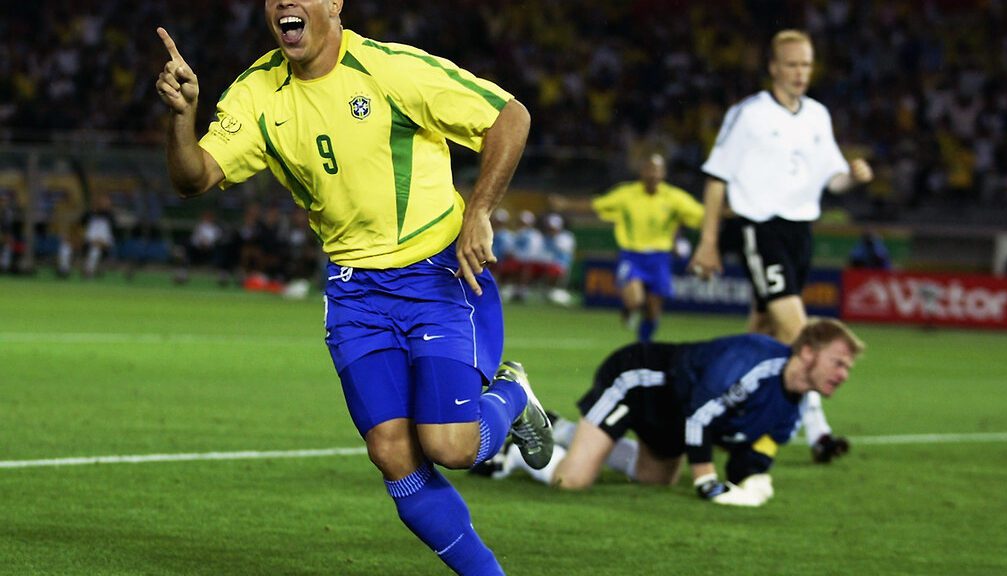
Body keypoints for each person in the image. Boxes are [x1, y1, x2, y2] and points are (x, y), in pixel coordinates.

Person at [154, 3, 553, 574]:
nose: (284, 4)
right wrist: (183, 115)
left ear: (335, 4)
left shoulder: (391, 69)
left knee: (451, 448)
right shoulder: (258, 92)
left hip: (435, 272)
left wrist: (480, 210)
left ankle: (512, 394)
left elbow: (508, 116)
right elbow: (194, 177)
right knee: (392, 453)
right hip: (352, 290)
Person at [688, 30, 873, 463]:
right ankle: (818, 431)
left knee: (764, 334)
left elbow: (834, 179)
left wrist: (855, 177)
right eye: (791, 64)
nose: (799, 73)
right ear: (773, 67)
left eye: (806, 65)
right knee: (797, 330)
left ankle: (723, 406)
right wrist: (709, 241)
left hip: (800, 232)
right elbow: (717, 177)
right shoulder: (748, 114)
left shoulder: (818, 116)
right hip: (760, 228)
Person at [474, 318, 865, 507]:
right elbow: (700, 418)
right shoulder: (755, 361)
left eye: (847, 368)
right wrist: (707, 481)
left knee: (655, 478)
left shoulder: (792, 407)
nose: (844, 375)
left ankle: (561, 428)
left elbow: (754, 455)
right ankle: (514, 453)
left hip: (673, 412)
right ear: (808, 353)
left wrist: (754, 482)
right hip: (638, 380)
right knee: (570, 482)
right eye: (838, 363)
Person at [592, 153, 704, 342]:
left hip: (660, 258)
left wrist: (728, 211)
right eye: (650, 169)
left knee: (653, 311)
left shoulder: (674, 197)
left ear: (664, 173)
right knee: (635, 300)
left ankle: (643, 345)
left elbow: (701, 214)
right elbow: (597, 205)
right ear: (642, 172)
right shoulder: (626, 194)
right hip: (632, 255)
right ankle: (628, 309)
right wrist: (566, 204)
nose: (653, 174)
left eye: (657, 170)